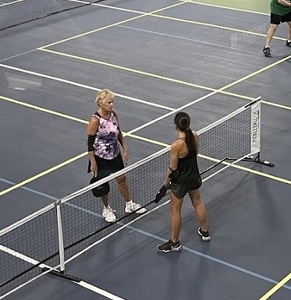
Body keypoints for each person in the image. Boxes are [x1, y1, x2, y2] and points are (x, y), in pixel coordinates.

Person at [87, 89, 145, 224]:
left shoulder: (113, 115)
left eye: (112, 102)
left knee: (122, 179)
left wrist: (124, 149)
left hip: (115, 154)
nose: (112, 104)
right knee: (103, 185)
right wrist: (93, 162)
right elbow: (90, 144)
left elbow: (119, 133)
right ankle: (106, 209)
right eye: (109, 102)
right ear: (101, 103)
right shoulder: (95, 120)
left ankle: (129, 204)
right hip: (100, 157)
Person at [157, 111, 210, 252]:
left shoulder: (176, 145)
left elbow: (173, 168)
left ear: (176, 126)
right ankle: (205, 231)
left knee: (175, 211)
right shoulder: (194, 136)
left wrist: (166, 183)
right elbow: (195, 154)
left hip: (180, 182)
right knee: (198, 203)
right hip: (193, 176)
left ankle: (174, 243)